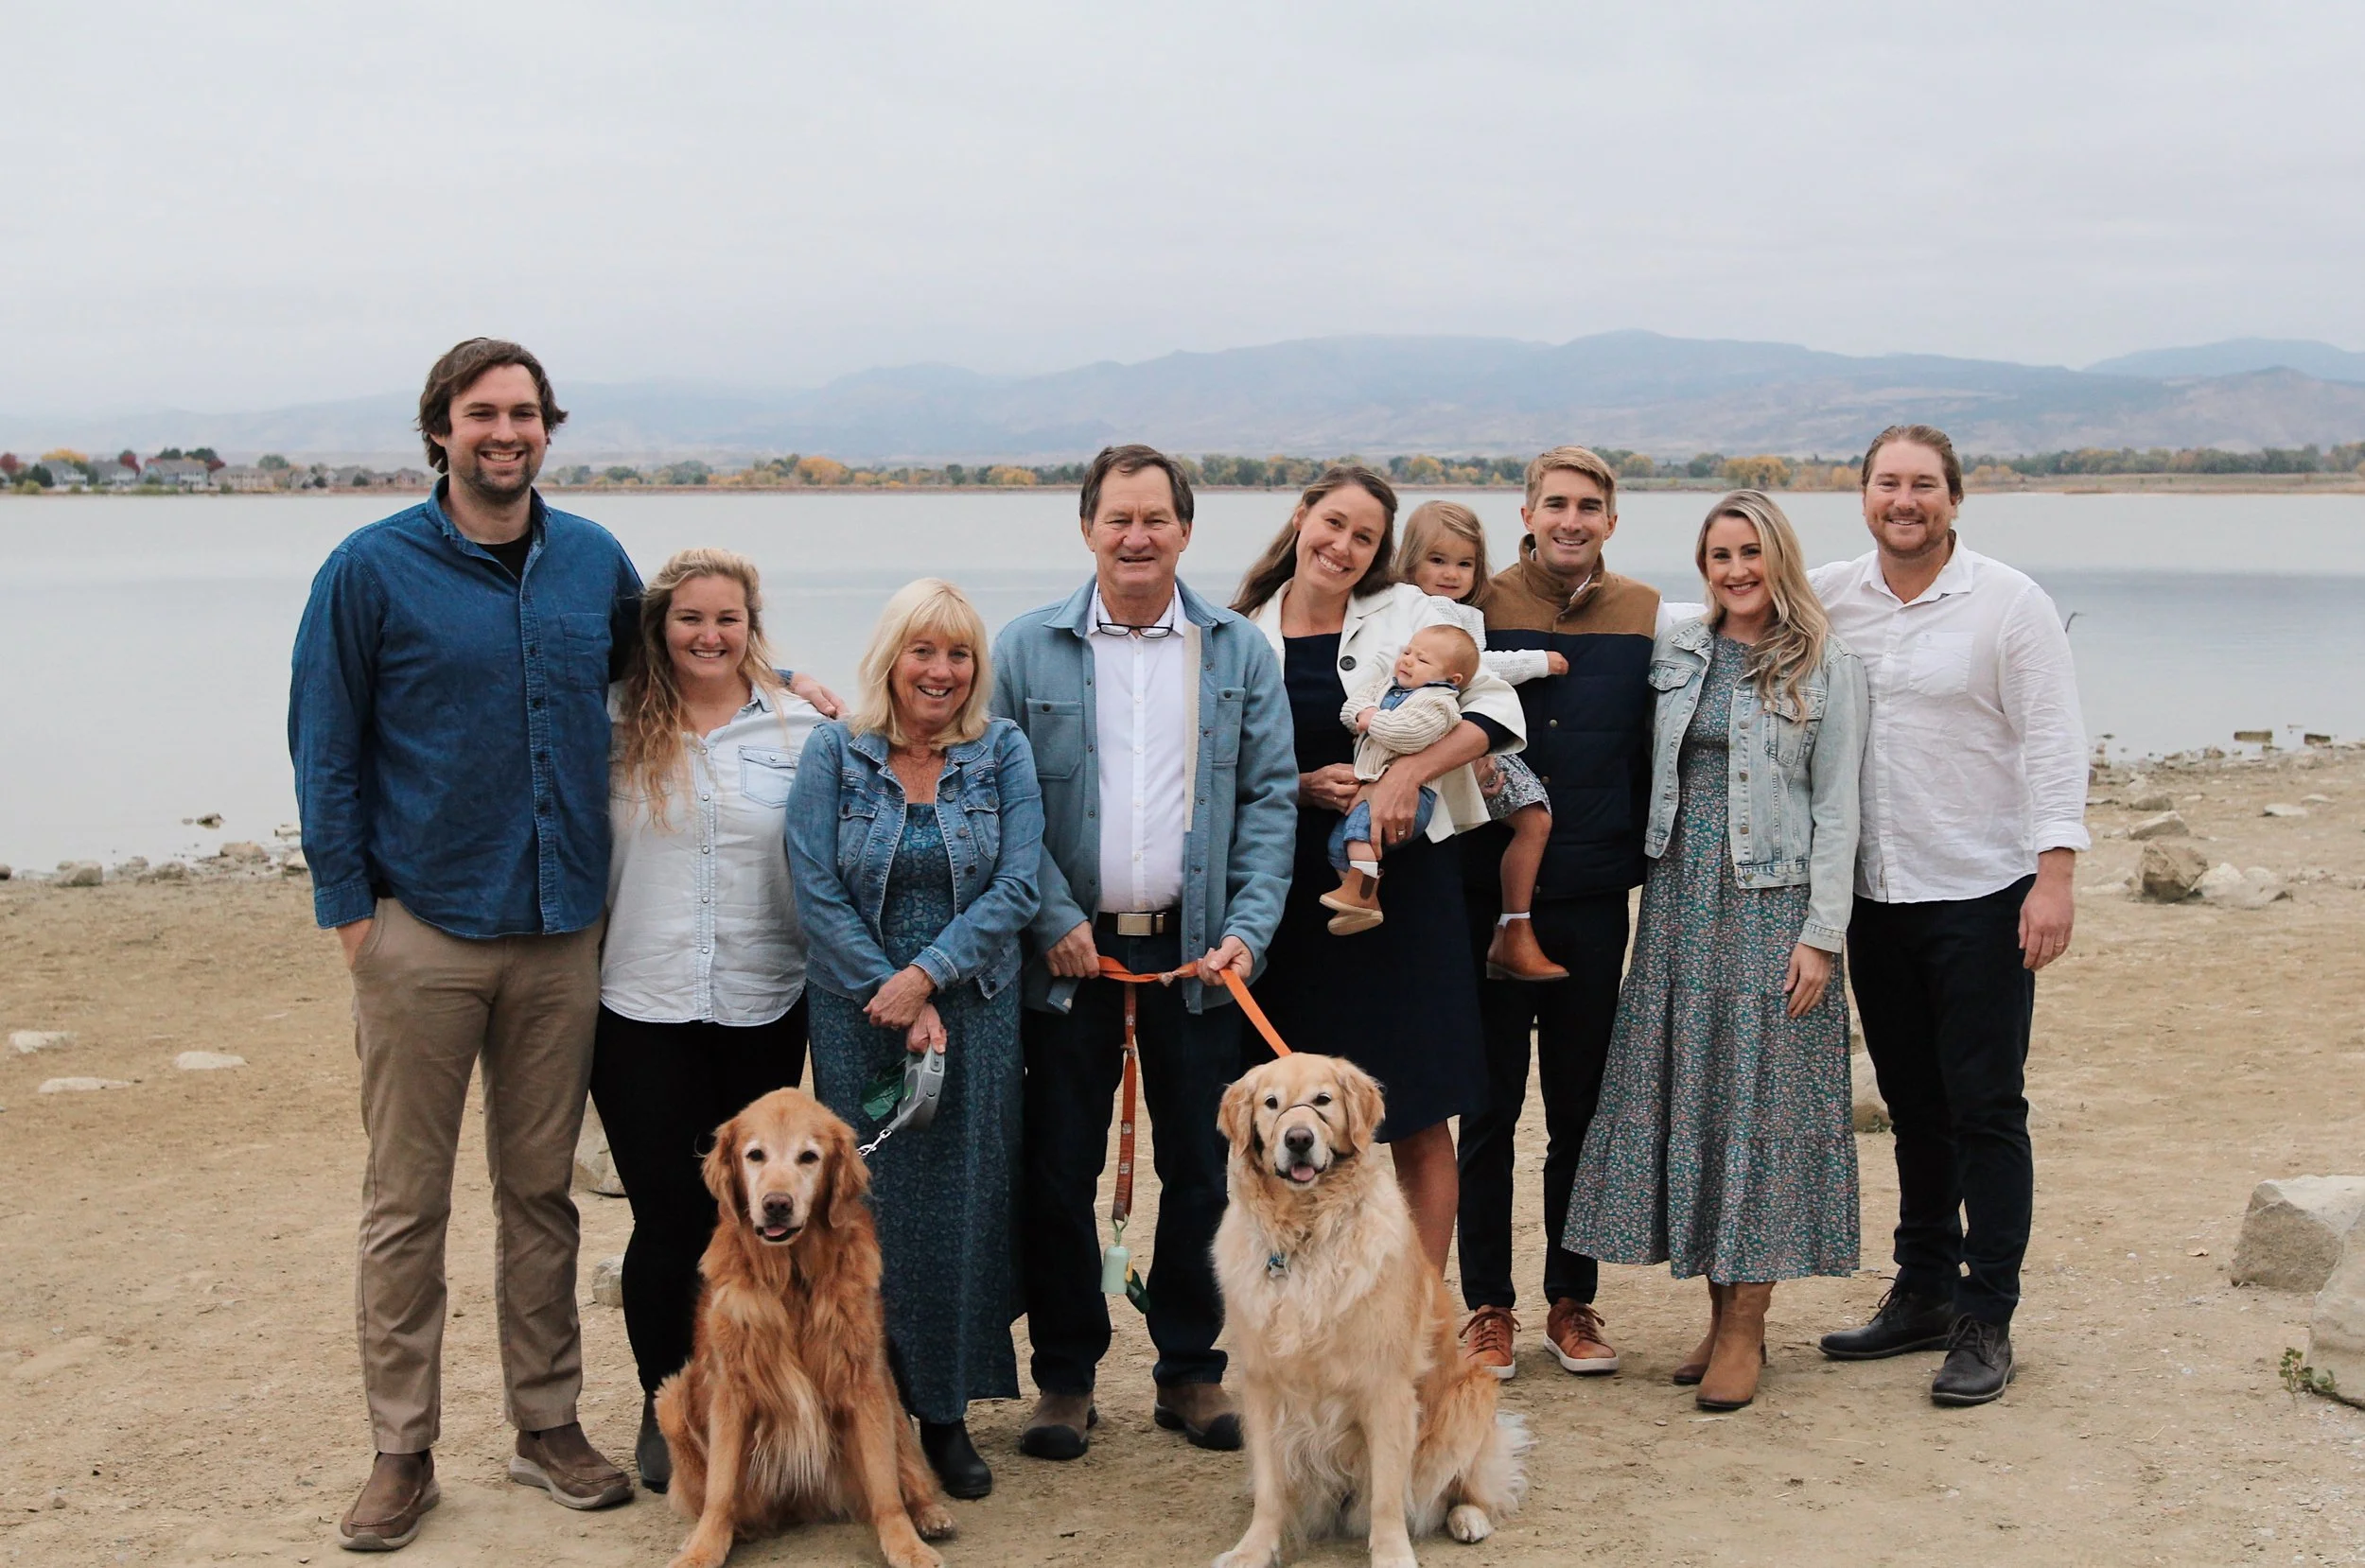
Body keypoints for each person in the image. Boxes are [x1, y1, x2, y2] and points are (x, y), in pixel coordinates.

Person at [289, 338, 642, 1551]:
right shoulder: (369, 568)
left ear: (549, 427)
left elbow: (667, 686)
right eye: (482, 412)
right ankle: (402, 1449)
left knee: (541, 1193)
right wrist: (354, 916)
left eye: (526, 413)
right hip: (422, 928)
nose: (506, 432)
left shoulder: (594, 560)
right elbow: (324, 746)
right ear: (439, 427)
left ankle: (548, 1424)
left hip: (562, 931)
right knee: (406, 1202)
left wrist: (792, 689)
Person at [990, 444, 1296, 1462]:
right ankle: (1065, 1378)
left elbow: (1268, 800)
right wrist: (1050, 916)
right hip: (1065, 959)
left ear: (1185, 530)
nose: (1136, 536)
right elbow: (1000, 800)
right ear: (1087, 527)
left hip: (1199, 960)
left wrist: (1248, 929)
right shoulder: (1024, 648)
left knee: (1205, 1168)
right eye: (1117, 518)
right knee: (1057, 1168)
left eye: (1155, 518)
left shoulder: (1237, 652)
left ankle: (1190, 1368)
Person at [1561, 491, 1867, 1412]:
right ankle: (1719, 1311)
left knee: (1760, 1106)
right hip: (1679, 905)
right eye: (1719, 556)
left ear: (1780, 558)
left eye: (1750, 552)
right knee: (1698, 1099)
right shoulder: (1680, 649)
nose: (1736, 570)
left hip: (1773, 908)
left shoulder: (1827, 663)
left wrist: (1822, 936)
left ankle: (1746, 1324)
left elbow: (1839, 808)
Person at [1811, 424, 2089, 1407]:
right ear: (1863, 496)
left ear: (1954, 499)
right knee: (1911, 1107)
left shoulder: (2008, 602)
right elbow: (1725, 609)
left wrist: (2054, 877)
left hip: (1982, 891)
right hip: (1875, 896)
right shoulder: (1830, 595)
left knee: (1985, 1107)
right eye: (1887, 483)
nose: (1905, 500)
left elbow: (2054, 741)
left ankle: (1985, 1314)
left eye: (1923, 484)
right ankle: (1922, 1289)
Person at [785, 577, 1044, 1498]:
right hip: (857, 1015)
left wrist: (927, 976)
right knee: (863, 1209)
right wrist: (886, 986)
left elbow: (1018, 885)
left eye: (958, 653)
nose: (940, 670)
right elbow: (813, 884)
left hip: (972, 1009)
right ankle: (869, 1410)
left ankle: (945, 1414)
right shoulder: (835, 751)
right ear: (889, 659)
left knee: (966, 1210)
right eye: (922, 650)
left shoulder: (1000, 749)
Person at [590, 547, 840, 1493]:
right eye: (689, 618)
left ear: (752, 626)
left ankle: (754, 1391)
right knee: (667, 1217)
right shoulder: (611, 724)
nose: (709, 635)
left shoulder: (799, 729)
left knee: (752, 1218)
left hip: (762, 1004)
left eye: (727, 618)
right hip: (639, 1005)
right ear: (659, 627)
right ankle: (670, 1399)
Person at [1235, 464, 1527, 1276]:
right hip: (1286, 895)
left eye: (1365, 537)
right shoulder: (1241, 627)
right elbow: (1220, 764)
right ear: (1302, 517)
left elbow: (1497, 709)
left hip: (1408, 892)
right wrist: (1300, 787)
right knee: (1291, 1113)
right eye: (1334, 524)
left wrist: (1408, 776)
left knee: (1417, 1110)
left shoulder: (1412, 613)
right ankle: (1304, 1294)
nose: (1344, 546)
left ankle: (1417, 1308)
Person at [1455, 445, 1697, 1382]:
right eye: (1555, 503)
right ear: (1526, 512)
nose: (1571, 519)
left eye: (1588, 506)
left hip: (1593, 894)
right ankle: (1487, 1307)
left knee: (1581, 1110)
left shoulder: (1646, 613)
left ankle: (1571, 1299)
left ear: (1610, 520)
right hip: (1483, 892)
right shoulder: (1476, 605)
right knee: (1486, 1110)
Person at [1396, 500, 1568, 981]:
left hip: (1453, 732)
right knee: (1534, 819)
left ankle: (1512, 928)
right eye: (1437, 560)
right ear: (1411, 561)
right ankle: (1514, 927)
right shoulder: (1431, 611)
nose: (1451, 574)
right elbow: (1476, 670)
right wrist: (1540, 661)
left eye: (1464, 563)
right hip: (1446, 734)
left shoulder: (1453, 610)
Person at [1322, 623, 1484, 931]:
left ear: (1452, 679)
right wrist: (1362, 714)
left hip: (1412, 796)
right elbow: (1351, 708)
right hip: (1372, 787)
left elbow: (1408, 735)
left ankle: (1360, 892)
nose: (1408, 660)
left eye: (1422, 660)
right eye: (1408, 652)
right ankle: (1364, 902)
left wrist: (1371, 718)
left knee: (1359, 835)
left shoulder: (1439, 704)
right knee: (1337, 846)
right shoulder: (1386, 685)